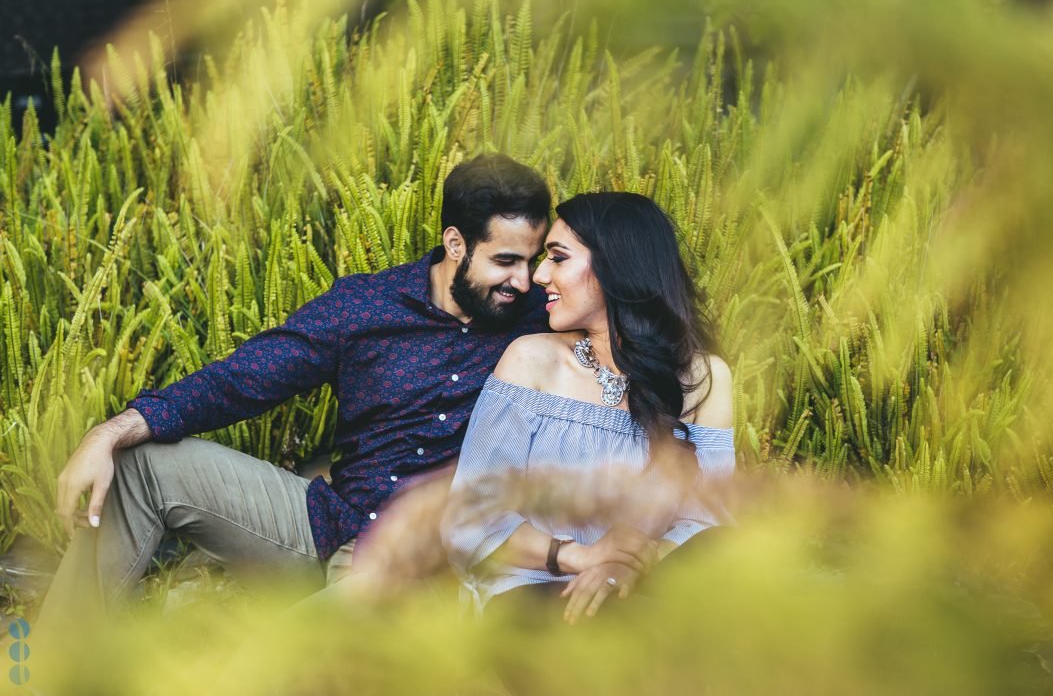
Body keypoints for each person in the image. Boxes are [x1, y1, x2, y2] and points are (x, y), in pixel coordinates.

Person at [34, 153, 558, 642]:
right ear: (455, 243)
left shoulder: (542, 323)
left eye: (532, 260)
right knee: (141, 463)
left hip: (429, 558)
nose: (524, 280)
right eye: (506, 261)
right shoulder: (366, 306)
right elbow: (245, 378)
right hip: (330, 522)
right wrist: (108, 432)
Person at [442, 192, 735, 622]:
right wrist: (581, 556)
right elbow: (471, 521)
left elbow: (706, 520)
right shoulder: (531, 361)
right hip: (535, 590)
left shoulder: (701, 379)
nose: (540, 275)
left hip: (642, 589)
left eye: (557, 258)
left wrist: (629, 562)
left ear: (616, 268)